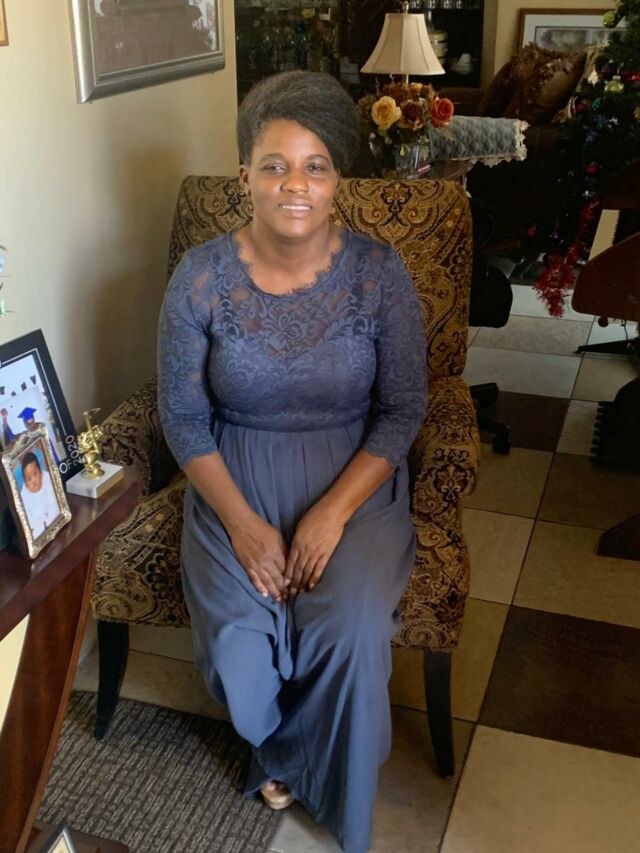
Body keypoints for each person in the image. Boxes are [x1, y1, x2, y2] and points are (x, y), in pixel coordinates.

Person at [157, 70, 427, 853]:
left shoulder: (380, 274)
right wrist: (243, 526)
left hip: (353, 479)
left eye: (316, 166)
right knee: (238, 654)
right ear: (244, 174)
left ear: (339, 179)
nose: (295, 184)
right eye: (275, 165)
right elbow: (182, 416)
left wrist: (331, 514)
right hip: (233, 476)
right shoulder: (199, 277)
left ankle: (319, 776)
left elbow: (403, 409)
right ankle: (279, 742)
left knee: (348, 627)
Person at [20, 450, 59, 539]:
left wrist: (48, 522)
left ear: (40, 472)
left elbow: (53, 503)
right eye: (29, 479)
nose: (33, 481)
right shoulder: (24, 495)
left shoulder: (48, 479)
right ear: (25, 483)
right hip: (38, 527)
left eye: (35, 474)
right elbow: (28, 518)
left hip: (53, 518)